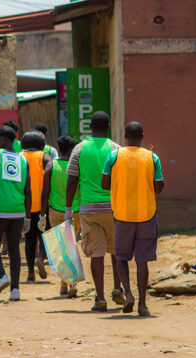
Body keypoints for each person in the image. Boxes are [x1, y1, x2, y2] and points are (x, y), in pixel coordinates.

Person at [102, 122, 164, 316]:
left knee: (121, 257)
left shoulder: (113, 156)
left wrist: (122, 183)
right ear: (142, 136)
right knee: (142, 261)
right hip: (146, 214)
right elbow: (159, 186)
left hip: (122, 214)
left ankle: (128, 293)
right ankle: (143, 304)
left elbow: (105, 184)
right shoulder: (152, 157)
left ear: (124, 135)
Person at [65, 111, 124, 312]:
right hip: (114, 207)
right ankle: (118, 288)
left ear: (90, 127)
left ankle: (100, 299)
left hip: (89, 209)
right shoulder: (116, 149)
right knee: (117, 251)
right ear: (108, 127)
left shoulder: (79, 149)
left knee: (96, 254)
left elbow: (72, 179)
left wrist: (67, 209)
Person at [0, 126, 31, 301]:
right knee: (14, 249)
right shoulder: (23, 161)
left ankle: (1, 276)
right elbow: (28, 190)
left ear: (6, 140)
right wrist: (28, 216)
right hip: (17, 212)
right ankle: (15, 290)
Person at [40, 135, 81, 297]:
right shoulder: (77, 166)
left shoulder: (51, 165)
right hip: (75, 211)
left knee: (62, 247)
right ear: (72, 150)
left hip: (55, 212)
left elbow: (45, 193)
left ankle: (65, 285)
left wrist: (42, 215)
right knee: (72, 245)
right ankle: (71, 284)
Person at [21, 131, 53, 281]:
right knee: (44, 235)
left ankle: (30, 272)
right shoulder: (45, 158)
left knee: (29, 239)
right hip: (43, 205)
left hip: (25, 205)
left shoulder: (20, 157)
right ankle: (40, 257)